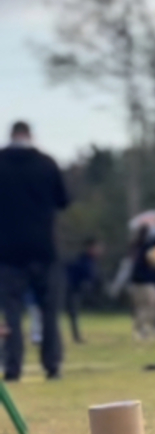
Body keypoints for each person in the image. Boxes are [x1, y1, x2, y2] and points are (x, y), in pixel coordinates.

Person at [0, 121, 70, 381]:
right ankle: (52, 365)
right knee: (49, 311)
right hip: (43, 249)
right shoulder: (46, 164)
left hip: (6, 252)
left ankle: (12, 367)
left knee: (12, 314)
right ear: (30, 135)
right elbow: (63, 200)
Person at [128, 225, 155, 341]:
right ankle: (141, 330)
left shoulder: (135, 247)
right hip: (147, 281)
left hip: (136, 282)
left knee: (141, 307)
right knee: (151, 306)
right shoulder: (148, 248)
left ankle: (141, 330)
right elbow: (154, 263)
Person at [65, 237, 104, 344]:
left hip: (76, 289)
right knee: (72, 312)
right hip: (71, 288)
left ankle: (76, 336)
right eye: (97, 248)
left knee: (74, 313)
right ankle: (76, 337)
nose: (99, 250)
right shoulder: (83, 260)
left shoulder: (90, 261)